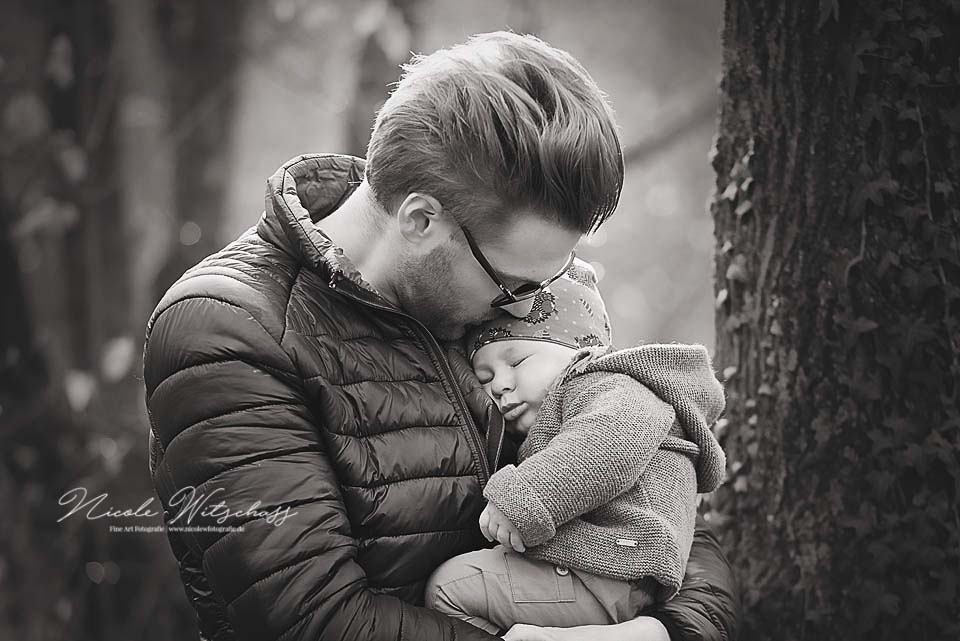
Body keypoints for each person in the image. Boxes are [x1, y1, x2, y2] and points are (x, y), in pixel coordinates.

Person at [142, 31, 739, 641]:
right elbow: (310, 621)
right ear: (422, 221)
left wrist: (659, 634)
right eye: (511, 283)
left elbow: (663, 492)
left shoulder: (501, 296)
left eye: (546, 281)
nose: (528, 303)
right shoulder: (230, 330)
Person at [424, 261, 727, 636]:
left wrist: (521, 498)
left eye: (517, 361)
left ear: (580, 352)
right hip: (613, 569)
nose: (500, 384)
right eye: (484, 378)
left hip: (611, 568)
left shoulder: (611, 385)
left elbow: (609, 446)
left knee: (450, 589)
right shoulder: (581, 398)